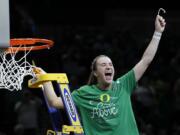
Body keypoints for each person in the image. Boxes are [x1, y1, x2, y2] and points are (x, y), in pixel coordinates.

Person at [34, 13, 166, 135]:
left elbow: (146, 60)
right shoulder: (84, 93)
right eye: (103, 65)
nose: (108, 67)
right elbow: (54, 102)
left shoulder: (123, 85)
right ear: (96, 73)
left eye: (110, 65)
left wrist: (157, 33)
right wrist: (45, 78)